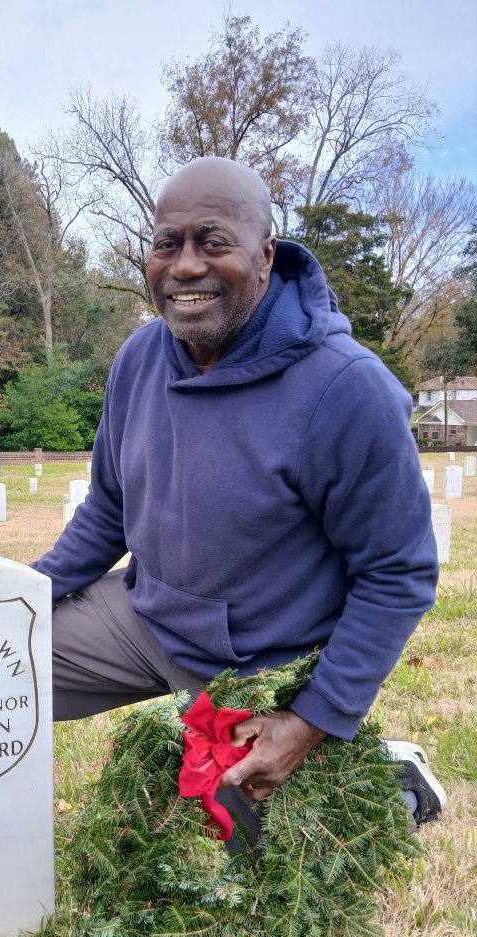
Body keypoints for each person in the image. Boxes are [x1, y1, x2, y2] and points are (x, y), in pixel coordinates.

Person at [32, 156, 445, 831]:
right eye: (168, 243)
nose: (185, 265)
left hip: (261, 663)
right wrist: (19, 600)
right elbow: (109, 507)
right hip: (145, 620)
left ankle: (379, 775)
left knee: (242, 867)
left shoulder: (345, 389)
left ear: (264, 256)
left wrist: (312, 717)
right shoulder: (138, 361)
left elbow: (397, 573)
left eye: (213, 241)